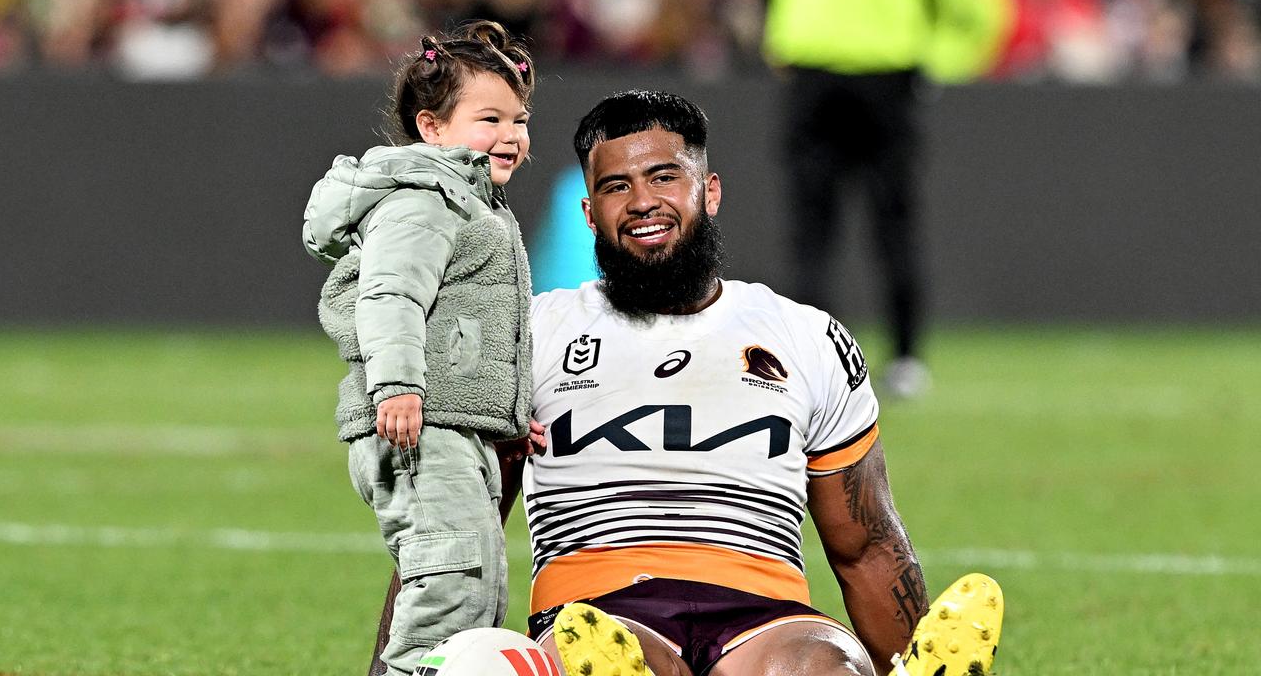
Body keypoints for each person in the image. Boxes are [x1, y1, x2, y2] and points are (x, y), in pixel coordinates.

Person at [366, 91, 1002, 676]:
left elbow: (867, 546)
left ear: (711, 191)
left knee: (828, 665)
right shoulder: (527, 335)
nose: (643, 201)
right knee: (600, 659)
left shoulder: (806, 336)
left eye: (665, 176)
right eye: (617, 186)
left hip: (767, 616)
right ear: (589, 212)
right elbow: (452, 534)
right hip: (600, 611)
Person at [301, 20, 537, 676]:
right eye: (489, 118)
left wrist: (512, 413)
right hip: (419, 426)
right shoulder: (422, 202)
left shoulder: (474, 204)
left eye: (519, 119)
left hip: (455, 428)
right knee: (449, 580)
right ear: (431, 128)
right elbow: (389, 298)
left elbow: (473, 329)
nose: (512, 135)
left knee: (477, 586)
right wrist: (397, 384)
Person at [746, 0, 1012, 398]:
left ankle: (817, 365)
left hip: (815, 81)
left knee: (815, 234)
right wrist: (940, 62)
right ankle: (905, 360)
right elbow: (983, 7)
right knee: (892, 226)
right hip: (886, 83)